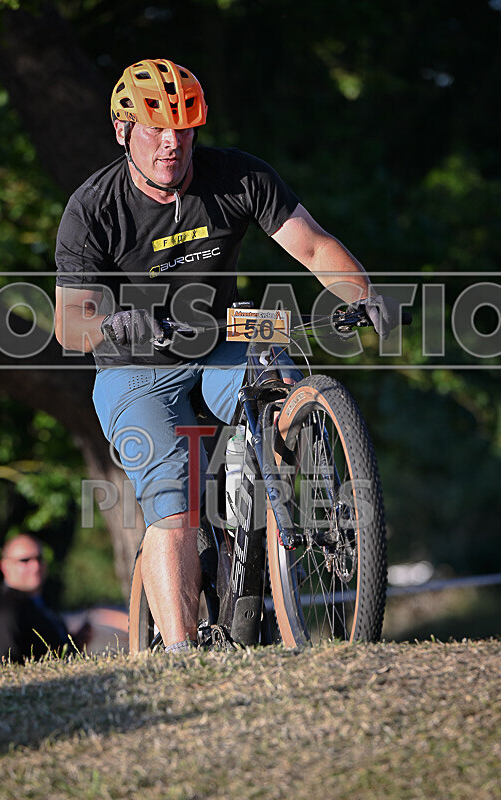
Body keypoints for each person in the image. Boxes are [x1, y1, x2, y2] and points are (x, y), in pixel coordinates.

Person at [54, 58, 400, 652]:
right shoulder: (92, 209)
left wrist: (363, 294)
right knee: (174, 492)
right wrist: (115, 323)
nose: (172, 143)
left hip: (218, 342)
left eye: (185, 128)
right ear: (122, 130)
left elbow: (315, 248)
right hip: (134, 369)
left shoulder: (238, 177)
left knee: (277, 373)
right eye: (157, 127)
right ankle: (186, 656)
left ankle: (300, 514)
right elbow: (68, 324)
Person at [0, 534, 91, 663]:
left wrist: (75, 643)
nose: (36, 566)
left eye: (39, 558)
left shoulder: (38, 601)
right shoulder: (7, 610)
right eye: (25, 560)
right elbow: (4, 666)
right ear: (5, 566)